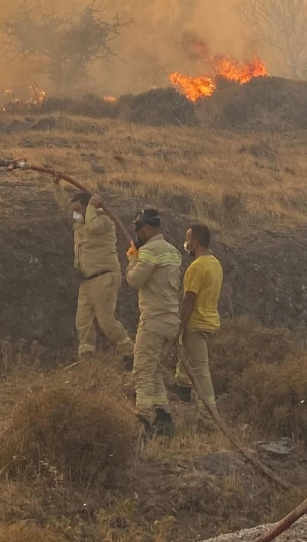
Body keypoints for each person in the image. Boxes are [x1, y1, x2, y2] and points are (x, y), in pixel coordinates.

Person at [54, 180, 133, 363]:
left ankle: (129, 351)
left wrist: (90, 209)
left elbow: (94, 227)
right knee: (83, 322)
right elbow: (66, 207)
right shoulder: (80, 222)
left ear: (89, 208)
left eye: (79, 210)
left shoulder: (103, 221)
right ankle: (87, 356)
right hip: (86, 280)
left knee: (106, 322)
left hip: (104, 277)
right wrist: (56, 184)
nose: (74, 214)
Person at [126, 208, 183, 437]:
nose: (137, 233)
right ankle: (164, 417)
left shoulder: (149, 251)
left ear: (147, 228)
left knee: (142, 371)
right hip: (171, 320)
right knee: (155, 369)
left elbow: (134, 280)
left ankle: (143, 421)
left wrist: (132, 259)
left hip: (154, 321)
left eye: (138, 229)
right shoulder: (173, 251)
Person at [174, 222, 223, 410]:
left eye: (187, 240)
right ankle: (182, 390)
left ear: (195, 243)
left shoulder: (197, 267)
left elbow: (189, 298)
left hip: (196, 323)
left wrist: (179, 325)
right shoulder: (215, 264)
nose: (185, 244)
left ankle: (210, 415)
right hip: (210, 321)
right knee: (186, 359)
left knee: (201, 371)